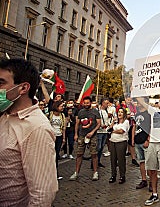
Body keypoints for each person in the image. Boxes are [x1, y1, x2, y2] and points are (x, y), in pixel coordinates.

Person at [0, 58, 58, 205]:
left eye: (1, 83)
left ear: (23, 88)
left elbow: (42, 195)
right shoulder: (4, 114)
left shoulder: (37, 128)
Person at [69, 96, 101, 181]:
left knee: (94, 154)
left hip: (92, 135)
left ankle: (95, 172)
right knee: (79, 154)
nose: (86, 104)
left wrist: (92, 132)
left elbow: (98, 124)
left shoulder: (95, 112)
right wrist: (76, 134)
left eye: (87, 103)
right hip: (82, 135)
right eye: (84, 103)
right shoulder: (81, 112)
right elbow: (77, 123)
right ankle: (76, 172)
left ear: (90, 103)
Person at [133, 97, 151, 189]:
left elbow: (152, 128)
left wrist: (148, 140)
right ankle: (144, 180)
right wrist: (132, 139)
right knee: (141, 161)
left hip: (145, 141)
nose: (138, 103)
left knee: (150, 163)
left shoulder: (149, 114)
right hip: (137, 141)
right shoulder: (137, 114)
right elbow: (134, 126)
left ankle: (152, 181)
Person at [109, 108, 130, 184]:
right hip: (113, 141)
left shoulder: (126, 122)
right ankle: (113, 175)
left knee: (121, 159)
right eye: (119, 112)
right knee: (113, 159)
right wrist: (113, 123)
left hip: (121, 142)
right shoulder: (115, 122)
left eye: (121, 112)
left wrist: (113, 131)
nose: (120, 113)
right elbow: (109, 129)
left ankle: (122, 176)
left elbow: (121, 131)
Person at [48, 100, 66, 180]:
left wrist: (64, 138)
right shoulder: (50, 115)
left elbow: (63, 128)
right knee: (50, 155)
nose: (63, 108)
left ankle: (55, 172)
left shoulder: (62, 115)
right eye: (61, 106)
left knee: (56, 155)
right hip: (51, 137)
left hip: (59, 136)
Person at [97, 98, 111, 168]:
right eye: (106, 103)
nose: (107, 105)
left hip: (104, 131)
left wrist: (108, 124)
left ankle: (98, 161)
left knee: (102, 147)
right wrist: (100, 125)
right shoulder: (98, 111)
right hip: (99, 131)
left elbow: (107, 120)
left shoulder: (105, 111)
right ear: (102, 103)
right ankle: (94, 162)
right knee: (98, 147)